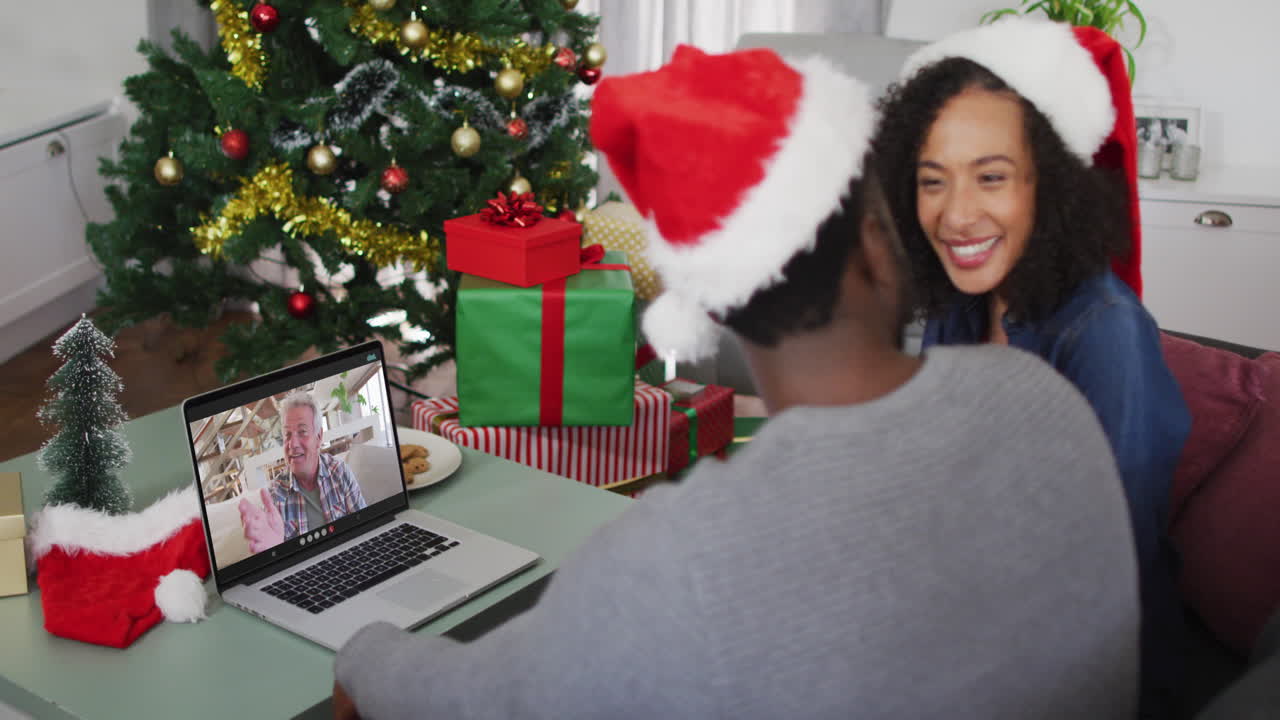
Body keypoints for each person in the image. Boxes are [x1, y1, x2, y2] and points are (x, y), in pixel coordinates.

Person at [333, 45, 1140, 719]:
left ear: (712, 306)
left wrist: (362, 653)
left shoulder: (678, 560)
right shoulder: (1044, 400)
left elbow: (470, 702)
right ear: (873, 244)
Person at [871, 17, 1191, 718]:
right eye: (932, 182)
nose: (956, 215)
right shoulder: (963, 304)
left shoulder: (1104, 331)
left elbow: (1108, 566)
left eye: (991, 177)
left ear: (1051, 185)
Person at [238, 390, 366, 552]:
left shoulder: (340, 473)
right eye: (287, 434)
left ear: (319, 437)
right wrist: (274, 550)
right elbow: (277, 556)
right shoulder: (275, 495)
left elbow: (364, 527)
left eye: (302, 432)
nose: (293, 444)